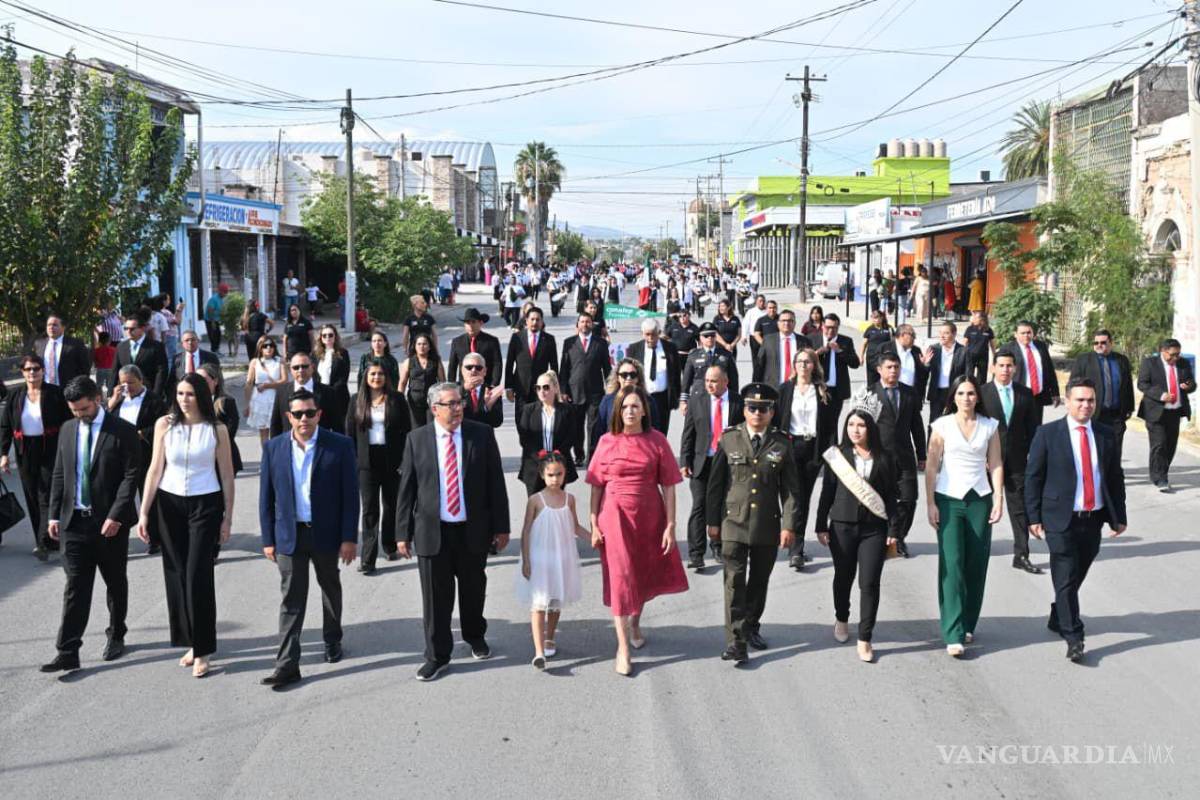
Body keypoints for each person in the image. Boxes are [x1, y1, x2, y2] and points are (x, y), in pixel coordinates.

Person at [397, 383, 510, 682]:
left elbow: (495, 483)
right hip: (433, 532)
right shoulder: (416, 440)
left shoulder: (481, 435)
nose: (457, 408)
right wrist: (401, 532)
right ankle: (437, 655)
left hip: (472, 529)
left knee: (474, 589)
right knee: (436, 599)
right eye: (450, 404)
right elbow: (406, 490)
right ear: (435, 409)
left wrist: (502, 527)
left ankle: (475, 635)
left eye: (459, 402)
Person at [39, 377, 141, 673]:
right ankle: (68, 650)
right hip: (73, 523)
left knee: (114, 582)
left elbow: (130, 476)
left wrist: (116, 515)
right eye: (74, 410)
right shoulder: (68, 430)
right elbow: (60, 473)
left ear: (98, 398)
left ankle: (116, 633)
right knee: (75, 587)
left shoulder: (122, 431)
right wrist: (54, 515)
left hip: (108, 524)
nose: (79, 415)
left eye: (84, 408)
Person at [137, 373, 236, 678]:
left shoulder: (216, 429)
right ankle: (190, 641)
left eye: (190, 394)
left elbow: (227, 476)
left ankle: (204, 649)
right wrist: (144, 513)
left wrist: (227, 516)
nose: (183, 399)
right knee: (177, 573)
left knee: (197, 575)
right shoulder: (164, 425)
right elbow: (155, 469)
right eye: (180, 393)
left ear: (202, 396)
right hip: (169, 504)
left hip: (205, 504)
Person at [258, 389, 359, 689]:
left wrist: (349, 538)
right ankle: (287, 664)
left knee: (330, 588)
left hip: (326, 535)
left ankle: (332, 639)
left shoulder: (339, 446)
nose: (304, 419)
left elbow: (350, 497)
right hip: (290, 535)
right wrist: (268, 539)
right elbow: (267, 498)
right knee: (291, 599)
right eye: (298, 414)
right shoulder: (274, 448)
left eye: (309, 413)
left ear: (319, 414)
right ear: (288, 417)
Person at [587, 384, 686, 676]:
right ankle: (623, 647)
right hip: (614, 515)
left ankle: (635, 624)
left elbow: (668, 486)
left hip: (649, 515)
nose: (629, 411)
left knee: (641, 574)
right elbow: (595, 486)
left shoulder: (657, 441)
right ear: (618, 411)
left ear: (644, 409)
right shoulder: (606, 441)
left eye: (635, 406)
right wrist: (593, 523)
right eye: (625, 407)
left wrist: (670, 524)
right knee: (621, 577)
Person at [1026, 379, 1127, 663]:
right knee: (1066, 573)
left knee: (1076, 573)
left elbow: (1114, 477)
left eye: (1091, 401)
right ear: (1068, 401)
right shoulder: (1048, 433)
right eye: (1080, 400)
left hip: (1092, 518)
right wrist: (1033, 516)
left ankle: (1059, 614)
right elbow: (1033, 477)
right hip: (1060, 518)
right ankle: (1074, 636)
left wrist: (1119, 516)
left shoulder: (1106, 434)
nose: (1086, 405)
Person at [704, 383, 798, 665]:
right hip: (733, 521)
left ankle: (751, 626)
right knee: (734, 582)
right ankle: (736, 641)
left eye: (764, 408)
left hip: (766, 525)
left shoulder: (782, 443)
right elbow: (716, 484)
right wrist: (712, 523)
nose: (757, 413)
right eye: (752, 408)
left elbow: (791, 490)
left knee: (758, 582)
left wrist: (789, 525)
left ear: (772, 412)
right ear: (744, 410)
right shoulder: (729, 438)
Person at [814, 390, 898, 663]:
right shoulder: (836, 455)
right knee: (843, 576)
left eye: (861, 425)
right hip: (842, 526)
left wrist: (895, 531)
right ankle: (841, 617)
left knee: (870, 582)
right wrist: (820, 524)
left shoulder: (884, 458)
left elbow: (891, 497)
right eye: (851, 424)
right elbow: (827, 491)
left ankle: (865, 637)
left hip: (874, 529)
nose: (855, 429)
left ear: (870, 427)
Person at [924, 376, 1004, 657]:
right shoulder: (941, 425)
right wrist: (930, 502)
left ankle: (968, 622)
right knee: (952, 563)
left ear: (978, 397)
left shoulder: (989, 426)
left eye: (971, 393)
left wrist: (998, 499)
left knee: (975, 563)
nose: (967, 398)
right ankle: (953, 631)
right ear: (953, 397)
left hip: (979, 499)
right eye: (961, 393)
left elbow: (995, 464)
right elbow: (932, 466)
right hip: (948, 499)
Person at [516, 451, 586, 670]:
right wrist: (526, 560)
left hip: (562, 557)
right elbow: (526, 531)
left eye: (559, 474)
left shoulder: (569, 499)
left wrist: (595, 537)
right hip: (540, 558)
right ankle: (538, 651)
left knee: (555, 601)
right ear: (542, 475)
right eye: (551, 475)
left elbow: (575, 526)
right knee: (539, 603)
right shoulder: (535, 500)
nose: (555, 479)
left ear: (565, 474)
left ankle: (550, 637)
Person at [0, 354, 71, 559]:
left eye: (36, 368)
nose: (32, 372)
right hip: (25, 450)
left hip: (51, 448)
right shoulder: (15, 395)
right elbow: (6, 426)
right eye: (28, 369)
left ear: (43, 370)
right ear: (22, 372)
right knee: (32, 495)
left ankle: (44, 542)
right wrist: (4, 454)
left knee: (46, 494)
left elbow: (68, 423)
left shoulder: (56, 394)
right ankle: (46, 538)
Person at [774, 347, 837, 570]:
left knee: (803, 499)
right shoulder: (784, 390)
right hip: (790, 447)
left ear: (814, 365)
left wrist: (830, 454)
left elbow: (830, 427)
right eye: (800, 361)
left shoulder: (822, 392)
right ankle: (790, 542)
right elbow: (776, 422)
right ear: (794, 365)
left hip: (812, 450)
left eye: (808, 362)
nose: (803, 365)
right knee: (790, 497)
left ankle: (796, 548)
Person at [346, 362, 411, 574]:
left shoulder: (397, 399)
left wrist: (405, 459)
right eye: (372, 374)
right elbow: (350, 435)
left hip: (391, 460)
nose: (376, 377)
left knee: (391, 505)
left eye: (380, 374)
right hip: (366, 463)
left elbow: (407, 432)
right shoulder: (356, 400)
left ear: (386, 377)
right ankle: (368, 559)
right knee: (370, 510)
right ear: (365, 377)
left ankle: (390, 545)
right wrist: (353, 461)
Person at [979, 351, 1041, 574]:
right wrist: (982, 456)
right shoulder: (982, 393)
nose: (1005, 370)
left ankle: (1021, 553)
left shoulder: (1024, 394)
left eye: (1009, 366)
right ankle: (980, 549)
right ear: (993, 368)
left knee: (1019, 508)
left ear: (1015, 368)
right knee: (983, 507)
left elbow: (1033, 428)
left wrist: (1034, 457)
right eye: (1001, 365)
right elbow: (976, 427)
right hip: (987, 461)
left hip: (1017, 460)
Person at [680, 365, 744, 571]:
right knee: (699, 505)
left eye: (714, 381)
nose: (709, 384)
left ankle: (718, 547)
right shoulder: (697, 400)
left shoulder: (737, 402)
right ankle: (696, 553)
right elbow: (688, 433)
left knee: (723, 505)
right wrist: (684, 461)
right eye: (707, 380)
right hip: (702, 462)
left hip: (727, 462)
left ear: (726, 381)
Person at [108, 365, 169, 554]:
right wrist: (112, 402)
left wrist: (143, 433)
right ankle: (119, 535)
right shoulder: (118, 400)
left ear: (141, 381)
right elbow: (103, 421)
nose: (127, 387)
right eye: (123, 382)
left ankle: (154, 538)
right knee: (120, 497)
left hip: (144, 453)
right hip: (119, 455)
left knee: (148, 497)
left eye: (131, 382)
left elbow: (165, 423)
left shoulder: (154, 400)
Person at [871, 352, 926, 558]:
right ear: (879, 370)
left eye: (896, 367)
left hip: (904, 456)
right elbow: (861, 427)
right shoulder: (870, 393)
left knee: (909, 498)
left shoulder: (909, 393)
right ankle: (883, 537)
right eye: (889, 367)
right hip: (879, 456)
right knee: (880, 500)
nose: (893, 371)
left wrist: (922, 454)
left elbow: (916, 426)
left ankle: (899, 536)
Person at [1136, 337, 1195, 492]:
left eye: (1178, 354)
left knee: (1170, 446)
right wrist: (1161, 395)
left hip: (1175, 412)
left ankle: (1161, 471)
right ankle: (1160, 478)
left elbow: (1192, 383)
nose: (1175, 358)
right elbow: (1142, 384)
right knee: (1159, 444)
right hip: (1155, 412)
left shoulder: (1183, 363)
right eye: (1172, 354)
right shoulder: (1150, 363)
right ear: (1163, 351)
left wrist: (1188, 386)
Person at [1070, 329, 1134, 464]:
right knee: (1095, 447)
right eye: (1096, 342)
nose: (1099, 345)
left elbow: (1127, 385)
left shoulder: (1121, 360)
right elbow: (1073, 385)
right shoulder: (1084, 360)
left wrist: (1129, 407)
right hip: (1093, 413)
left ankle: (1114, 476)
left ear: (1111, 343)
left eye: (1103, 342)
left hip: (1116, 414)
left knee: (1115, 448)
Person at [558, 311, 611, 466]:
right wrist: (563, 390)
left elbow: (607, 368)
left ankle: (592, 457)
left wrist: (611, 387)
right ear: (578, 325)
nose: (585, 324)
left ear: (592, 324)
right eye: (582, 322)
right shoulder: (569, 343)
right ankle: (579, 454)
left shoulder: (600, 343)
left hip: (595, 392)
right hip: (574, 392)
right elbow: (564, 369)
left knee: (593, 427)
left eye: (588, 321)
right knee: (576, 427)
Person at [517, 371, 578, 496]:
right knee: (536, 507)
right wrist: (541, 457)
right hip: (534, 467)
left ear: (555, 388)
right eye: (538, 388)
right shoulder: (529, 410)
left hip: (558, 466)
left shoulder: (567, 410)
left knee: (556, 505)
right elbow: (525, 438)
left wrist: (556, 456)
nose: (541, 391)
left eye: (546, 387)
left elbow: (571, 436)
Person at [625, 318, 681, 436]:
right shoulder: (634, 349)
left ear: (659, 333)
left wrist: (677, 398)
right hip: (642, 397)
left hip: (663, 399)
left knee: (661, 433)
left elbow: (676, 374)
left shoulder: (670, 348)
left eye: (653, 334)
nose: (650, 338)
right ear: (643, 334)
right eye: (647, 334)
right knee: (642, 431)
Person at [997, 321, 1060, 425]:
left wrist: (1055, 392)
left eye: (1029, 332)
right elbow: (999, 371)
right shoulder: (1008, 349)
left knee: (1036, 429)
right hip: (1018, 395)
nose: (1026, 335)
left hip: (1037, 397)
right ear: (1015, 334)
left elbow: (1049, 370)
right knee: (1017, 428)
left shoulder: (1041, 347)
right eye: (1023, 333)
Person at [505, 306, 558, 423]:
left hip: (541, 388)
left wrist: (555, 388)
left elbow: (554, 366)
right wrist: (508, 387)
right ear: (526, 321)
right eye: (532, 319)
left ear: (542, 321)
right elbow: (509, 363)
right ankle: (524, 441)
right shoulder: (517, 338)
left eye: (538, 320)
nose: (535, 322)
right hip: (521, 387)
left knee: (538, 421)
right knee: (521, 420)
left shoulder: (549, 340)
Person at [270, 352, 336, 438]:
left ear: (312, 367)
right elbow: (276, 425)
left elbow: (337, 425)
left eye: (304, 366)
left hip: (321, 446)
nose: (300, 370)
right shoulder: (282, 392)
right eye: (296, 367)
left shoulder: (328, 392)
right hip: (290, 446)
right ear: (290, 370)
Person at [809, 313, 861, 422]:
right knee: (817, 422)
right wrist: (817, 353)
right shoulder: (811, 339)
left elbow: (855, 364)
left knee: (833, 424)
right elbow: (803, 361)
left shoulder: (846, 341)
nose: (831, 331)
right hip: (817, 389)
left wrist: (840, 351)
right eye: (828, 327)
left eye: (834, 328)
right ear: (822, 325)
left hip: (836, 391)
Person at [680, 322, 739, 410]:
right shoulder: (693, 355)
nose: (710, 338)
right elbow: (686, 380)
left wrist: (735, 399)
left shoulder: (726, 355)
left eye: (712, 335)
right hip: (699, 397)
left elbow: (734, 379)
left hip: (721, 398)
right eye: (706, 336)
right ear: (700, 338)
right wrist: (683, 401)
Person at [923, 322, 968, 435]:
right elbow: (924, 373)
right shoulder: (934, 349)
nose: (942, 336)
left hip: (954, 393)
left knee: (953, 425)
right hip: (937, 393)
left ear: (954, 334)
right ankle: (931, 451)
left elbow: (968, 375)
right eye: (940, 333)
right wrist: (925, 364)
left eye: (946, 333)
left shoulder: (963, 351)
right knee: (934, 424)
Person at [244, 336, 287, 445]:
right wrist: (247, 404)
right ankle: (266, 457)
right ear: (260, 348)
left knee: (277, 429)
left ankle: (276, 455)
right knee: (263, 432)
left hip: (276, 397)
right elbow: (249, 383)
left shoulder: (279, 361)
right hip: (259, 400)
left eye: (271, 345)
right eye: (265, 346)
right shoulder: (255, 362)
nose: (268, 348)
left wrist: (268, 385)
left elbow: (284, 380)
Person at [113, 315, 168, 398]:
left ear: (142, 329)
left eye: (132, 329)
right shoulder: (121, 347)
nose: (128, 332)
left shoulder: (156, 346)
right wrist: (111, 393)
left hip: (148, 393)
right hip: (126, 394)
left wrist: (156, 394)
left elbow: (161, 371)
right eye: (126, 328)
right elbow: (115, 370)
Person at [446, 307, 503, 387]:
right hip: (465, 385)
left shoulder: (491, 341)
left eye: (473, 322)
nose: (471, 325)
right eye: (468, 323)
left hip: (485, 385)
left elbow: (497, 364)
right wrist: (452, 386)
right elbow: (452, 365)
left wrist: (494, 384)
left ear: (480, 323)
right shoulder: (457, 342)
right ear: (464, 325)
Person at [398, 331, 445, 426]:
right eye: (419, 344)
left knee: (432, 427)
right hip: (414, 402)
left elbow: (442, 382)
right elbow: (402, 383)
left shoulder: (436, 361)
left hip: (432, 401)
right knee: (416, 428)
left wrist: (443, 400)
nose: (421, 346)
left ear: (429, 346)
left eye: (424, 344)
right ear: (414, 346)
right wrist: (399, 400)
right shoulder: (408, 362)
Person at [313, 324, 351, 435]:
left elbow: (344, 376)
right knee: (322, 430)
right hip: (320, 397)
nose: (328, 338)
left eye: (330, 335)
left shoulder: (343, 353)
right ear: (321, 338)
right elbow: (314, 376)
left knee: (339, 430)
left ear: (335, 337)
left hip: (338, 396)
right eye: (324, 335)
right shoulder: (315, 355)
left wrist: (331, 391)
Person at [36, 315, 92, 388]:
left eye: (55, 325)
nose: (51, 327)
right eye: (49, 325)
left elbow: (85, 368)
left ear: (63, 328)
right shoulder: (39, 344)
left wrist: (80, 387)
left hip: (68, 389)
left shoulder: (75, 344)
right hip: (46, 389)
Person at [754, 309, 802, 386]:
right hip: (773, 387)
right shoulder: (768, 340)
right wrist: (755, 387)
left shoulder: (804, 342)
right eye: (783, 320)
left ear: (795, 323)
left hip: (797, 386)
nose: (786, 323)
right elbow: (759, 365)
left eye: (790, 321)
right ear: (778, 323)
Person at [167, 329, 220, 398]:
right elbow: (172, 380)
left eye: (193, 339)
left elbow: (218, 378)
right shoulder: (177, 359)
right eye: (187, 340)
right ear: (182, 343)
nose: (190, 342)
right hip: (184, 397)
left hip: (205, 396)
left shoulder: (210, 357)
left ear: (198, 341)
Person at [883, 324, 929, 401]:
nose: (915, 338)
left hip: (911, 397)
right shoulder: (885, 348)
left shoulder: (916, 351)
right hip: (890, 395)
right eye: (912, 335)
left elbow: (922, 377)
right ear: (902, 335)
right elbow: (875, 372)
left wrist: (925, 365)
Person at [459, 352, 505, 428]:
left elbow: (497, 422)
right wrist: (464, 389)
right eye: (469, 367)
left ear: (485, 371)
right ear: (462, 370)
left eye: (478, 368)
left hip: (484, 437)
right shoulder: (453, 390)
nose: (473, 370)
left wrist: (487, 407)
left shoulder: (492, 392)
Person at [859, 310, 894, 389]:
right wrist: (861, 356)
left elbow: (893, 343)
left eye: (877, 318)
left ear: (882, 318)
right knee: (871, 380)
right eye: (873, 318)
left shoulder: (889, 329)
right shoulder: (869, 329)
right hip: (871, 358)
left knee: (884, 378)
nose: (875, 320)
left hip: (884, 357)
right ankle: (871, 396)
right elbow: (864, 344)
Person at [961, 310, 995, 386]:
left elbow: (992, 344)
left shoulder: (988, 330)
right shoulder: (970, 329)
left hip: (983, 357)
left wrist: (995, 355)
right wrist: (963, 354)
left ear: (981, 319)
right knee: (969, 375)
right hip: (970, 356)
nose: (973, 319)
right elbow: (964, 342)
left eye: (975, 318)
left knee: (982, 377)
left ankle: (981, 392)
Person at [203, 284, 228, 352]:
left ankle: (216, 350)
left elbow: (221, 310)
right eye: (224, 292)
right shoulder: (214, 299)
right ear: (220, 291)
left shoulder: (221, 299)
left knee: (218, 335)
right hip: (210, 320)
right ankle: (214, 350)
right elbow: (210, 311)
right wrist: (213, 322)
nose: (225, 294)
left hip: (216, 320)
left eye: (226, 292)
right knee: (213, 336)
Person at [92, 331, 117, 395]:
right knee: (110, 385)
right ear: (109, 340)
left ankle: (100, 399)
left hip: (100, 369)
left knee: (99, 385)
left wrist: (96, 365)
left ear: (99, 340)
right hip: (110, 369)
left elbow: (95, 360)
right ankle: (110, 397)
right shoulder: (114, 350)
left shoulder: (96, 350)